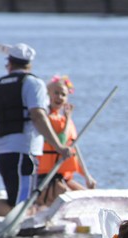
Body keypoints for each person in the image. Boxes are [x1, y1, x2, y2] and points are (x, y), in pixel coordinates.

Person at [0, 43, 71, 216]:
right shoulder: (33, 83)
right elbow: (38, 115)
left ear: (10, 63)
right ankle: (20, 234)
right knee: (23, 204)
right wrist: (59, 147)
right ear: (29, 64)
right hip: (24, 150)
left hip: (2, 151)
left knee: (17, 199)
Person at [36, 75, 96, 206]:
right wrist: (68, 118)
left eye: (63, 94)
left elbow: (74, 152)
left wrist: (87, 176)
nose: (59, 97)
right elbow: (61, 143)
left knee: (90, 198)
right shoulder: (46, 118)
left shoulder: (63, 119)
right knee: (72, 200)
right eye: (56, 93)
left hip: (63, 177)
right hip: (47, 177)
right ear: (47, 95)